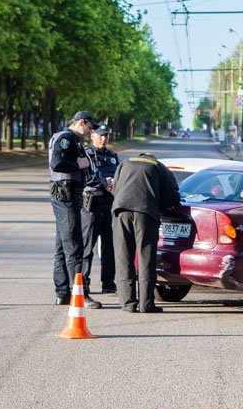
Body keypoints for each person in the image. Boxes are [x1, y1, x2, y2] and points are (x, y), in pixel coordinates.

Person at [112, 151, 180, 313]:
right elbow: (172, 196)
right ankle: (146, 304)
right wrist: (161, 206)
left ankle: (127, 303)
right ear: (152, 158)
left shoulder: (125, 162)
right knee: (145, 257)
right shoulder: (159, 166)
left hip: (121, 211)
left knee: (123, 257)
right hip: (145, 212)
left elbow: (115, 188)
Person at [48, 111, 101, 308]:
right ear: (81, 122)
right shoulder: (67, 138)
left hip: (66, 195)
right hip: (66, 195)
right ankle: (80, 294)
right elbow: (57, 163)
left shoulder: (71, 139)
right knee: (74, 246)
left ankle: (63, 293)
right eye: (89, 127)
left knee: (62, 246)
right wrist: (79, 164)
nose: (90, 132)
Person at [80, 125, 119, 295]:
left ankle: (108, 282)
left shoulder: (112, 156)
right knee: (87, 246)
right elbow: (85, 177)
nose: (103, 139)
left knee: (109, 246)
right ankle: (83, 282)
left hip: (109, 204)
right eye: (100, 135)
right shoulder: (85, 154)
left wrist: (114, 183)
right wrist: (104, 183)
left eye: (106, 136)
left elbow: (119, 175)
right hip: (92, 204)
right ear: (92, 136)